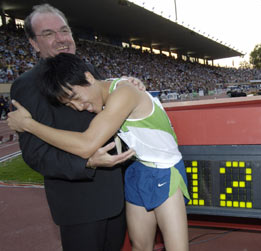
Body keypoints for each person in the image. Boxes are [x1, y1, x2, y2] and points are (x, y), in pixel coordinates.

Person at [8, 53, 191, 251]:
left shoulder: (124, 93)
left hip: (165, 170)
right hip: (138, 170)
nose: (78, 107)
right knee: (139, 246)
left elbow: (87, 144)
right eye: (70, 105)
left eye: (76, 97)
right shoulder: (108, 93)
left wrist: (28, 124)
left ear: (89, 77)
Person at [11, 4, 136, 250]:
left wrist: (128, 84)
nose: (61, 39)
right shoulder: (27, 85)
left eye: (64, 30)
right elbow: (35, 154)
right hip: (79, 205)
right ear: (34, 44)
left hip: (117, 194)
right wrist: (86, 163)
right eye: (48, 34)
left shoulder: (88, 70)